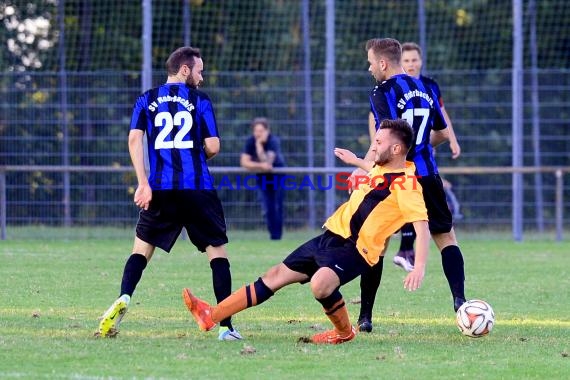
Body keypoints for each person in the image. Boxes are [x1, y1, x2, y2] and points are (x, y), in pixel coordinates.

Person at [182, 119, 430, 345]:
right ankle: (210, 315)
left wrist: (418, 266)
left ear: (396, 149)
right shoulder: (383, 167)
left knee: (321, 284)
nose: (374, 146)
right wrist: (355, 161)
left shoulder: (407, 184)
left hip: (356, 250)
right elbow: (374, 169)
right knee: (275, 274)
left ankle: (344, 332)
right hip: (330, 237)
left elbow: (422, 226)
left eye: (378, 142)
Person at [96, 46, 242, 341]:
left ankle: (124, 297)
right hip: (197, 187)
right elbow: (213, 145)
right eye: (199, 71)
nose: (201, 78)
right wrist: (196, 156)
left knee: (140, 251)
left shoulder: (146, 99)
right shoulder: (199, 100)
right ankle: (227, 328)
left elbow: (134, 139)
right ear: (185, 70)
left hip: (160, 188)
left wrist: (143, 182)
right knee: (217, 255)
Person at [356, 38, 467, 333]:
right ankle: (461, 302)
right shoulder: (425, 88)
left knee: (376, 245)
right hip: (428, 174)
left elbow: (385, 138)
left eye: (370, 62)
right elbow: (442, 133)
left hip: (395, 177)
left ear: (383, 63)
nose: (369, 68)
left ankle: (365, 317)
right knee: (446, 237)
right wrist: (419, 147)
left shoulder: (383, 91)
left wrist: (364, 166)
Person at [390, 41, 463, 272]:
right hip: (401, 158)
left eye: (414, 60)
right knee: (408, 202)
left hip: (423, 157)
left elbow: (441, 116)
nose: (411, 64)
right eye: (406, 61)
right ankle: (404, 249)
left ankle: (406, 250)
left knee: (421, 203)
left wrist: (452, 138)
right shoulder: (395, 87)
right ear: (400, 63)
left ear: (420, 61)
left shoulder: (430, 85)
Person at [240, 117, 286, 240]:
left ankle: (277, 237)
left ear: (267, 130)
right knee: (267, 207)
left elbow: (268, 163)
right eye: (256, 131)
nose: (258, 134)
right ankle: (273, 236)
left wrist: (259, 146)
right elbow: (244, 162)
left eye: (261, 130)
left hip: (277, 176)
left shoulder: (273, 141)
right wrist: (260, 165)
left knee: (277, 206)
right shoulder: (251, 141)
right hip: (262, 177)